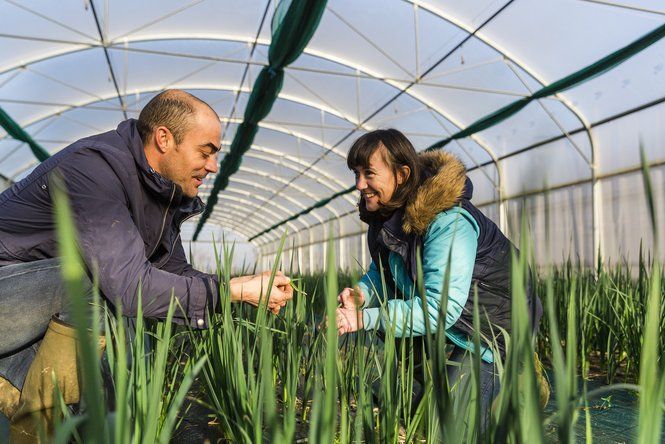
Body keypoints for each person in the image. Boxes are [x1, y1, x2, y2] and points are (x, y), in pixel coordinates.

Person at [0, 89, 293, 440]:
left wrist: (244, 287)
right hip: (9, 294)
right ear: (165, 138)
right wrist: (229, 291)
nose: (214, 165)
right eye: (206, 151)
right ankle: (42, 428)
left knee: (134, 328)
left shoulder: (162, 191)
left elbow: (172, 273)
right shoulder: (94, 170)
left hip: (36, 308)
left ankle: (75, 419)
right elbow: (129, 285)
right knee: (97, 286)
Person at [335, 129, 542, 430]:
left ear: (402, 175)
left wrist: (366, 319)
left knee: (452, 427)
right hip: (453, 323)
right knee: (400, 400)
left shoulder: (448, 222)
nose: (359, 184)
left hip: (492, 330)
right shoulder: (388, 216)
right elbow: (384, 268)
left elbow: (438, 309)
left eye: (369, 173)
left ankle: (523, 382)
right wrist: (362, 293)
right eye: (356, 173)